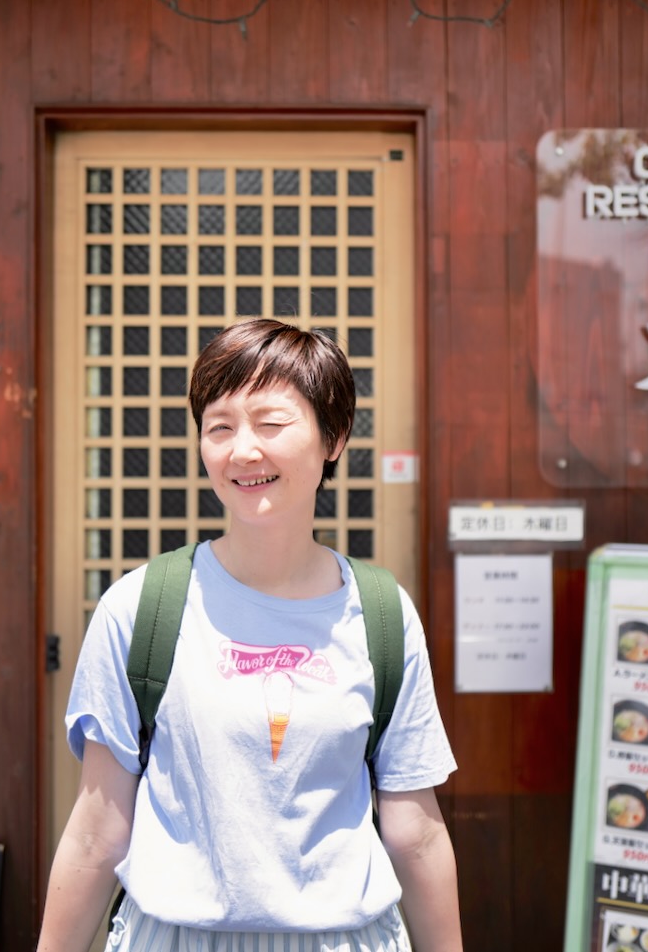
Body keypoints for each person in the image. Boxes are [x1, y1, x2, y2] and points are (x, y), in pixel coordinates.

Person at [37, 318, 462, 951]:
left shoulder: (381, 613)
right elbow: (98, 831)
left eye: (271, 423)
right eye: (220, 426)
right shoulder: (142, 607)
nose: (243, 450)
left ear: (333, 437)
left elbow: (416, 831)